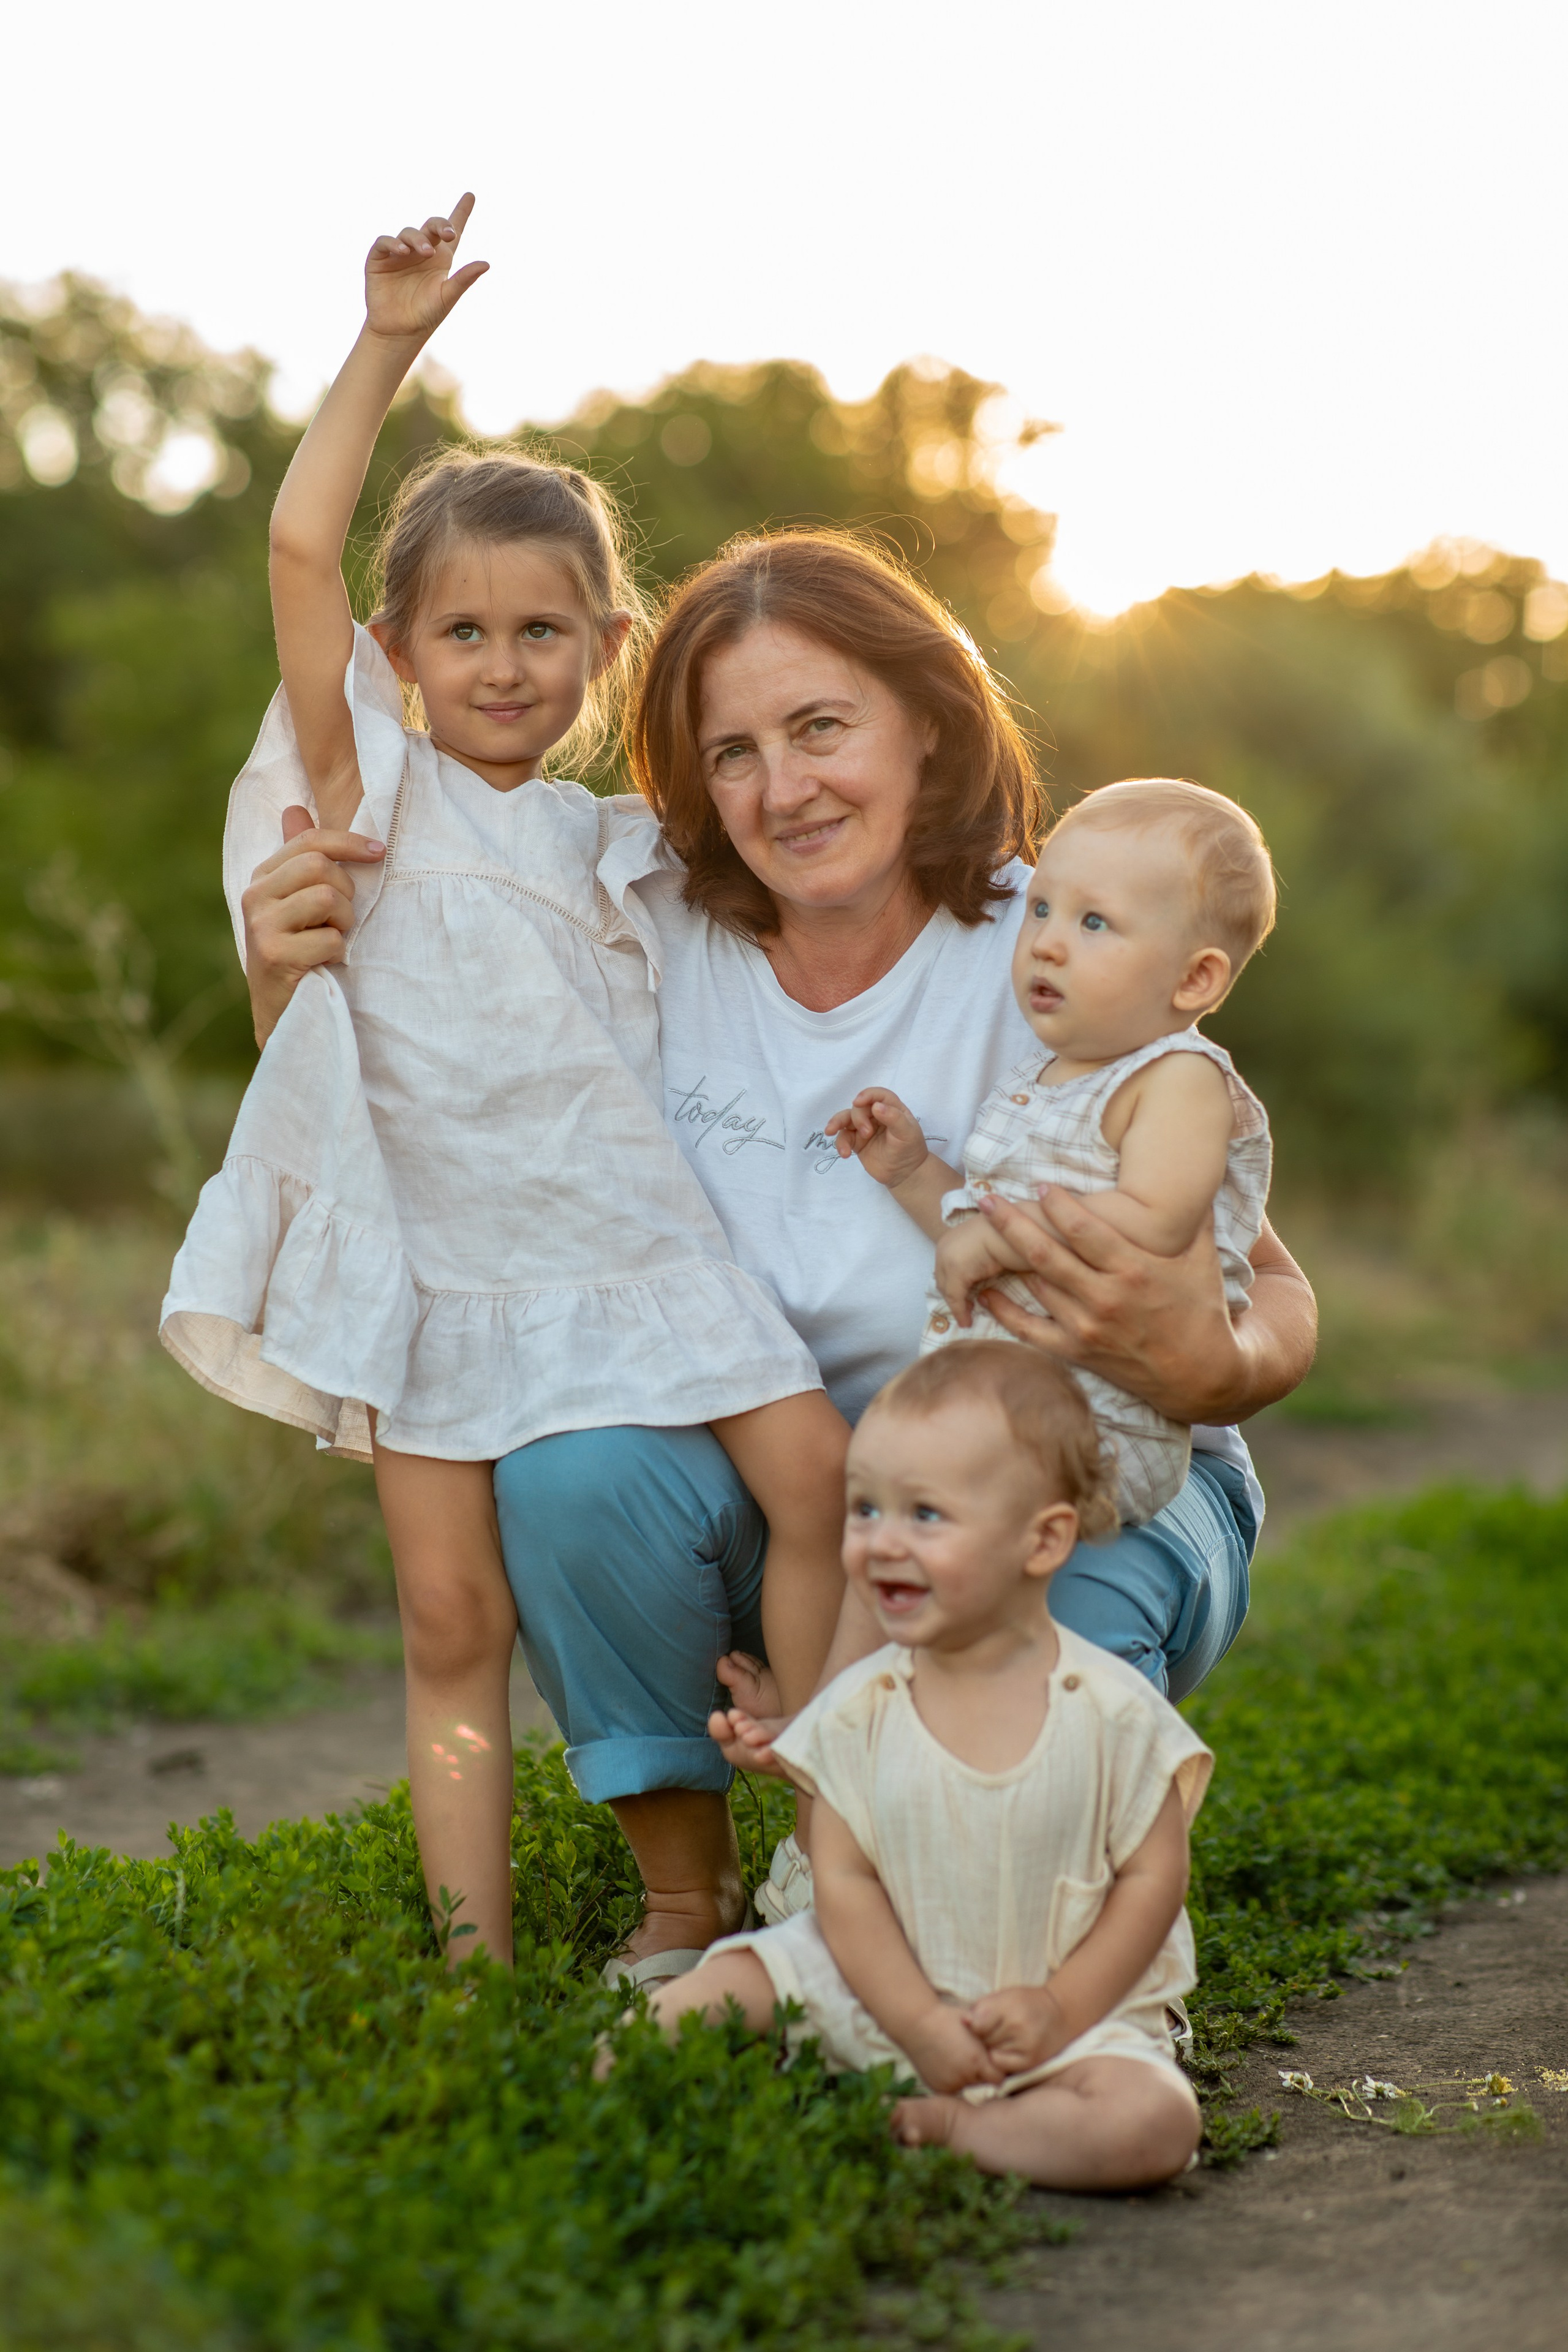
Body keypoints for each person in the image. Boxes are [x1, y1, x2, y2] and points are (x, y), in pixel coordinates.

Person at [236, 530, 1317, 1983]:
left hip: (1084, 1476)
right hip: (792, 1491)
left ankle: (966, 1883)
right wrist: (281, 978)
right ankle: (690, 1896)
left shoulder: (1048, 939)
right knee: (571, 1468)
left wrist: (1208, 1358)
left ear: (925, 722)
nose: (782, 786)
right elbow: (425, 1083)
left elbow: (1277, 1286)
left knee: (982, 1886)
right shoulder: (638, 926)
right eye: (730, 750)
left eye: (820, 727)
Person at [160, 199, 848, 1968]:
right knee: (452, 1621)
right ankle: (472, 1975)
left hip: (639, 1250)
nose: (501, 665)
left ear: (605, 652)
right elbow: (303, 549)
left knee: (823, 1479)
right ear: (397, 657)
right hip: (437, 1273)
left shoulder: (614, 845)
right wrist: (389, 341)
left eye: (545, 632)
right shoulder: (368, 789)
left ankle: (841, 1838)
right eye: (461, 633)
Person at [628, 1343, 1210, 2193]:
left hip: (1060, 2020)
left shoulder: (1116, 1714)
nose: (882, 1543)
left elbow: (1153, 1881)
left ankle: (958, 2127)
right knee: (713, 1992)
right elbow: (846, 1886)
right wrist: (918, 2024)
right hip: (872, 1984)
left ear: (1043, 1540)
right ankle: (588, 2088)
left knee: (1155, 2123)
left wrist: (1059, 2010)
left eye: (925, 1515)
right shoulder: (859, 1708)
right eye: (865, 1510)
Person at [825, 777, 1274, 1525]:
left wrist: (993, 1237)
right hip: (1001, 1410)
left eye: (1094, 921)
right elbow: (978, 1233)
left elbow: (1156, 1220)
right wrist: (911, 1172)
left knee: (919, 1512)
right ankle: (848, 1651)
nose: (1047, 941)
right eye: (1041, 909)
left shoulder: (1179, 1080)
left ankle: (907, 1640)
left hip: (1096, 1427)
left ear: (1196, 978)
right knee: (879, 1505)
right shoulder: (1045, 1077)